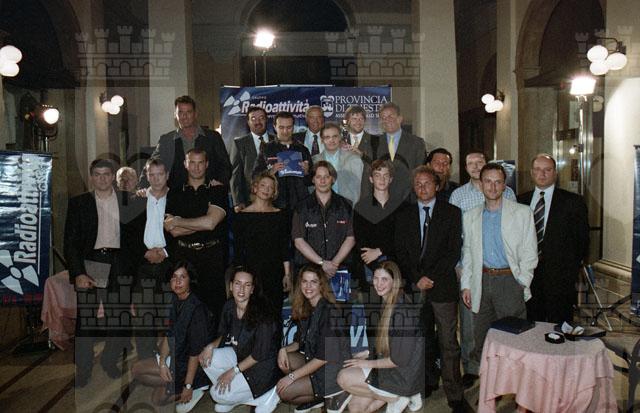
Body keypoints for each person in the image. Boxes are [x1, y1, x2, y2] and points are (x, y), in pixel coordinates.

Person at [64, 158, 140, 387]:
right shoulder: (79, 203)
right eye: (97, 174)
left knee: (119, 319)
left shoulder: (128, 200)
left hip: (119, 262)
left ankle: (109, 360)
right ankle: (84, 369)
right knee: (86, 321)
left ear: (113, 177)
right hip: (93, 263)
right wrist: (78, 272)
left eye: (106, 174)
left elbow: (135, 239)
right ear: (91, 177)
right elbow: (70, 243)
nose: (102, 179)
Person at [394, 166, 464, 411]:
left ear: (437, 185)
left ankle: (455, 393)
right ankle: (426, 383)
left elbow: (453, 251)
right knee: (420, 340)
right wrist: (417, 279)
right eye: (418, 184)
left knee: (448, 342)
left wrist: (430, 277)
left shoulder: (452, 213)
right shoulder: (404, 215)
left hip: (442, 286)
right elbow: (400, 252)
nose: (422, 188)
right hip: (414, 287)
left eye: (427, 183)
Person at [449, 150, 516, 387]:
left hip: (502, 270)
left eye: (480, 161)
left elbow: (516, 231)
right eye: (470, 162)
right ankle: (471, 367)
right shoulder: (458, 195)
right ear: (465, 167)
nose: (476, 166)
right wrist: (459, 267)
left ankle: (503, 369)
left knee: (502, 322)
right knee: (470, 324)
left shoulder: (507, 193)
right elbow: (453, 235)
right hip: (470, 269)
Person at [460, 163, 538, 364]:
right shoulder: (470, 216)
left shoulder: (522, 213)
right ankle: (487, 382)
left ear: (504, 185)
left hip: (509, 281)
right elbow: (468, 253)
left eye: (498, 182)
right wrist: (466, 284)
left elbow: (530, 252)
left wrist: (522, 281)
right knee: (483, 340)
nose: (493, 187)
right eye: (488, 181)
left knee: (513, 340)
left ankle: (513, 383)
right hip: (482, 281)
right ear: (481, 184)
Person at [336, 261, 424, 413]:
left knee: (343, 377)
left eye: (384, 279)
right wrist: (367, 354)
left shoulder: (402, 311)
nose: (378, 284)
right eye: (376, 278)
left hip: (402, 376)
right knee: (356, 407)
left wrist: (366, 363)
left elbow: (399, 360)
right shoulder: (387, 302)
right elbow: (389, 344)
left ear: (394, 282)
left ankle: (400, 396)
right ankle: (396, 397)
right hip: (394, 371)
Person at [517, 154, 590, 323]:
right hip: (528, 276)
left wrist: (570, 270)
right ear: (531, 172)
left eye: (547, 170)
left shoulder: (573, 202)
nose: (542, 174)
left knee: (559, 325)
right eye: (537, 169)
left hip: (560, 279)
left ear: (555, 173)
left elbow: (582, 241)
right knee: (531, 324)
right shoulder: (520, 201)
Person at [199, 267, 282, 413]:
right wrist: (210, 346)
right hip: (241, 356)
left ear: (252, 289)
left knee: (215, 394)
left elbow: (260, 354)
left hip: (262, 368)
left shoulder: (263, 313)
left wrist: (232, 372)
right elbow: (224, 334)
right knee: (206, 358)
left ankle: (268, 394)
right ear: (231, 286)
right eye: (238, 283)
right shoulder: (229, 306)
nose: (241, 289)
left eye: (247, 285)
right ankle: (234, 396)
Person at [131, 261, 211, 413]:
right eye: (174, 277)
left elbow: (195, 352)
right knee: (136, 370)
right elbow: (169, 335)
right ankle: (173, 384)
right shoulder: (174, 300)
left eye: (182, 277)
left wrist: (188, 385)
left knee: (157, 399)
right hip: (176, 358)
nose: (178, 282)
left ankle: (193, 388)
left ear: (190, 280)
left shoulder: (197, 309)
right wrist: (162, 363)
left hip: (192, 367)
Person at [276, 264, 350, 413]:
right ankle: (318, 398)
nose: (308, 286)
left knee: (284, 392)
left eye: (313, 282)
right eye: (305, 281)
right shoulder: (307, 307)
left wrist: (291, 377)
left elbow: (323, 358)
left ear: (321, 285)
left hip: (332, 370)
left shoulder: (329, 311)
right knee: (285, 359)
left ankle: (332, 393)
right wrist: (283, 350)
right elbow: (298, 342)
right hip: (315, 362)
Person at [164, 148, 228, 322]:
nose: (196, 167)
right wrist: (202, 223)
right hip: (184, 257)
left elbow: (211, 223)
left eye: (200, 163)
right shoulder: (174, 193)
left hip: (212, 256)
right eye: (192, 162)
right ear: (185, 164)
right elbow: (173, 230)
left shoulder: (218, 190)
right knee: (185, 310)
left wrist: (179, 220)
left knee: (213, 310)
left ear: (206, 165)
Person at [128, 158, 172, 359]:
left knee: (170, 313)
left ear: (167, 175)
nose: (156, 179)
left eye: (160, 174)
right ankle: (146, 358)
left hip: (168, 262)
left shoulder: (176, 197)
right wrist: (144, 253)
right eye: (151, 175)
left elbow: (184, 229)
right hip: (144, 263)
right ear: (146, 176)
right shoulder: (136, 200)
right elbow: (129, 234)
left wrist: (165, 252)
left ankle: (170, 357)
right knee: (144, 315)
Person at [140, 95, 231, 190]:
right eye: (181, 112)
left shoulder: (213, 137)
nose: (185, 116)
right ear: (175, 115)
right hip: (177, 194)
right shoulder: (167, 140)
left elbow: (225, 165)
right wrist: (143, 187)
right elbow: (152, 164)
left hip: (208, 192)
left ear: (195, 114)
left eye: (189, 112)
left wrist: (220, 183)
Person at [233, 172, 292, 311]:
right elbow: (238, 250)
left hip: (274, 273)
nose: (266, 189)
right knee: (251, 313)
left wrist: (287, 274)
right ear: (255, 188)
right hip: (250, 273)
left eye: (270, 187)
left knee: (274, 312)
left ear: (274, 192)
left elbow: (284, 247)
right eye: (263, 185)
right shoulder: (241, 217)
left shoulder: (281, 216)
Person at [292, 161, 356, 279]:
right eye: (318, 177)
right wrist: (322, 263)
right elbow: (298, 240)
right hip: (309, 272)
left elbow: (351, 238)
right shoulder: (301, 207)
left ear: (333, 179)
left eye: (326, 177)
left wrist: (334, 264)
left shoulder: (346, 205)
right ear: (313, 180)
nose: (322, 181)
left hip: (340, 269)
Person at [359, 102, 427, 205]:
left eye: (390, 116)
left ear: (400, 118)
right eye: (383, 118)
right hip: (380, 202)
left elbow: (420, 174)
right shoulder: (373, 143)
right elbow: (367, 175)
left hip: (408, 200)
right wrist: (366, 202)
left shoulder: (416, 143)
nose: (387, 120)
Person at [353, 160, 402, 289]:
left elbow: (401, 239)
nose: (382, 179)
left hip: (396, 267)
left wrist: (380, 251)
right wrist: (376, 266)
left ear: (391, 179)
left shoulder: (401, 207)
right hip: (370, 266)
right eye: (377, 175)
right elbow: (360, 241)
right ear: (371, 179)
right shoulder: (361, 207)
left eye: (386, 175)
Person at [253, 111, 313, 211]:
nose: (285, 131)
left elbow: (311, 181)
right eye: (281, 127)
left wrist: (307, 172)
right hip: (274, 205)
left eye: (289, 127)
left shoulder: (303, 149)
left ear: (293, 127)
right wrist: (270, 172)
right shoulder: (267, 149)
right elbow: (255, 176)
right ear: (274, 127)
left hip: (300, 205)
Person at [230, 106, 275, 212]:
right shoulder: (239, 144)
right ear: (248, 122)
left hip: (275, 200)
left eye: (261, 118)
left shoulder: (276, 141)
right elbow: (235, 175)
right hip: (248, 200)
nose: (257, 122)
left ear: (266, 120)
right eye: (253, 118)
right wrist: (238, 201)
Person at [312, 122, 364, 205]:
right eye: (327, 137)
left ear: (340, 137)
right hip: (320, 207)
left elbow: (357, 189)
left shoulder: (353, 159)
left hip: (346, 206)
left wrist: (350, 208)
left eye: (335, 136)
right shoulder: (314, 160)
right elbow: (312, 188)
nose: (331, 140)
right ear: (321, 140)